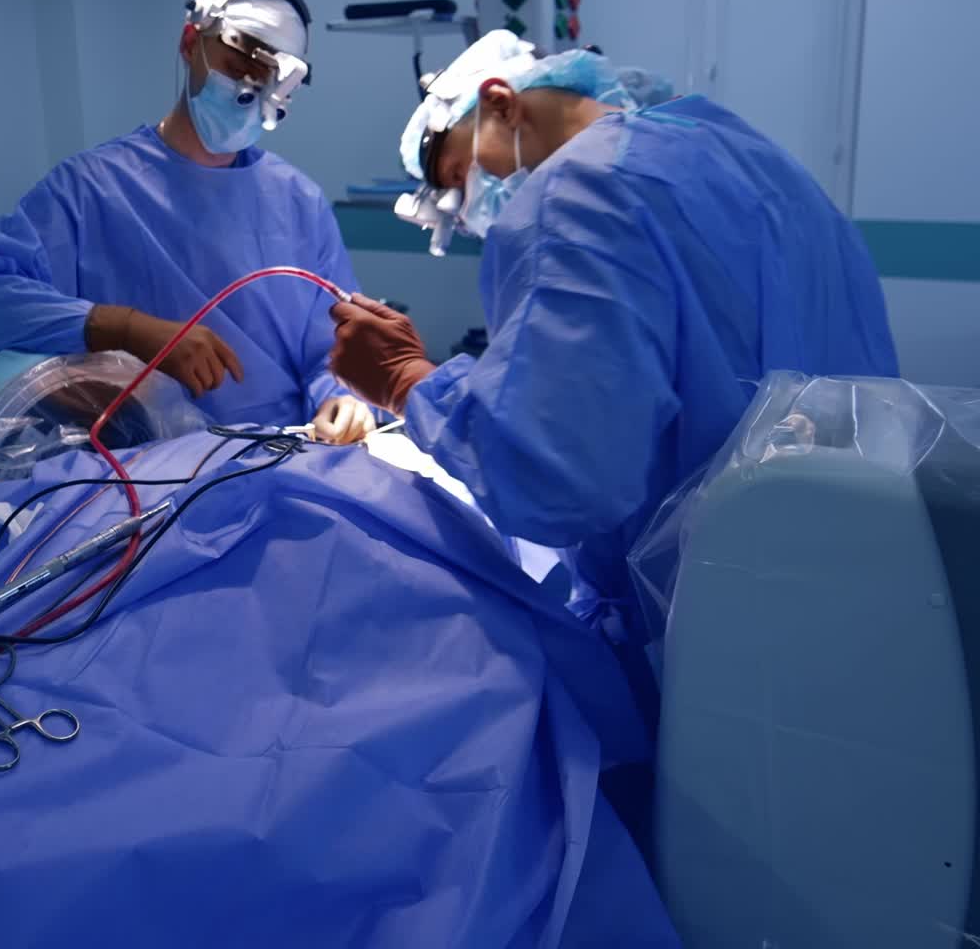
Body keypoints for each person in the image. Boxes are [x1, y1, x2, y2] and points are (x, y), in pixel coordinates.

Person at [330, 32, 898, 658]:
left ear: (500, 103)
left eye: (460, 176)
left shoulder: (581, 191)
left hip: (707, 622)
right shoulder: (760, 165)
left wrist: (407, 381)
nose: (465, 210)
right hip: (857, 581)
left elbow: (554, 479)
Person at [0, 0, 373, 444]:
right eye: (236, 68)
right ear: (190, 43)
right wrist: (125, 329)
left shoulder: (299, 202)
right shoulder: (90, 190)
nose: (249, 92)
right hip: (145, 465)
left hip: (287, 450)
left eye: (268, 84)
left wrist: (342, 396)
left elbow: (334, 347)